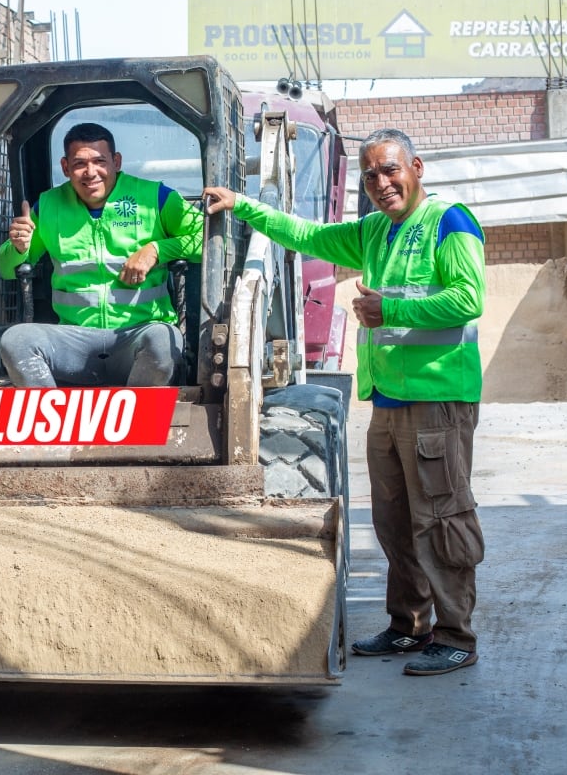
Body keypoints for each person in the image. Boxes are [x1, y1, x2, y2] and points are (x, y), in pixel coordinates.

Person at [204, 128, 486, 677]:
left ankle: (456, 634)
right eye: (371, 175)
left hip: (437, 398)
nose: (382, 183)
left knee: (442, 518)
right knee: (396, 519)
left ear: (416, 167)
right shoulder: (375, 231)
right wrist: (245, 206)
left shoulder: (449, 221)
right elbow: (307, 234)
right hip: (389, 398)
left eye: (390, 170)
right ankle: (409, 624)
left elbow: (469, 296)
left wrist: (394, 312)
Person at [0, 122, 203, 387]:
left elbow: (208, 241)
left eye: (99, 161)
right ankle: (55, 423)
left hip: (138, 337)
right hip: (74, 341)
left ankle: (133, 423)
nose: (90, 172)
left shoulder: (156, 198)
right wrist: (18, 248)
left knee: (163, 340)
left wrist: (157, 250)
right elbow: (4, 268)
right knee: (16, 341)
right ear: (65, 167)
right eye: (80, 163)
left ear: (116, 162)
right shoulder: (47, 206)